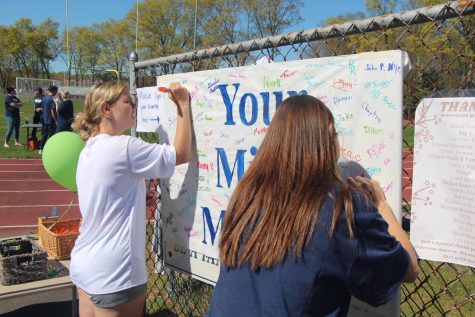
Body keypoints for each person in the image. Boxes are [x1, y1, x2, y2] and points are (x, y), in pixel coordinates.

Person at [206, 95, 419, 317]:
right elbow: (410, 268)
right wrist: (381, 204)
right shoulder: (341, 209)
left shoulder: (247, 196)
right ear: (329, 134)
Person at [70, 81, 192, 317]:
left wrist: (134, 195)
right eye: (128, 101)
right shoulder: (123, 147)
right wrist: (183, 105)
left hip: (85, 264)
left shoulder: (89, 149)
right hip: (116, 272)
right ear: (107, 108)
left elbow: (105, 192)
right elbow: (181, 153)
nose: (134, 106)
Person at [39, 85, 58, 154]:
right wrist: (56, 119)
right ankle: (49, 149)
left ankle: (41, 149)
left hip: (44, 119)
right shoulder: (51, 99)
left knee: (44, 134)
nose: (56, 93)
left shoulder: (44, 98)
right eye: (56, 91)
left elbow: (42, 108)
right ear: (53, 91)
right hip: (50, 120)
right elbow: (52, 111)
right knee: (51, 135)